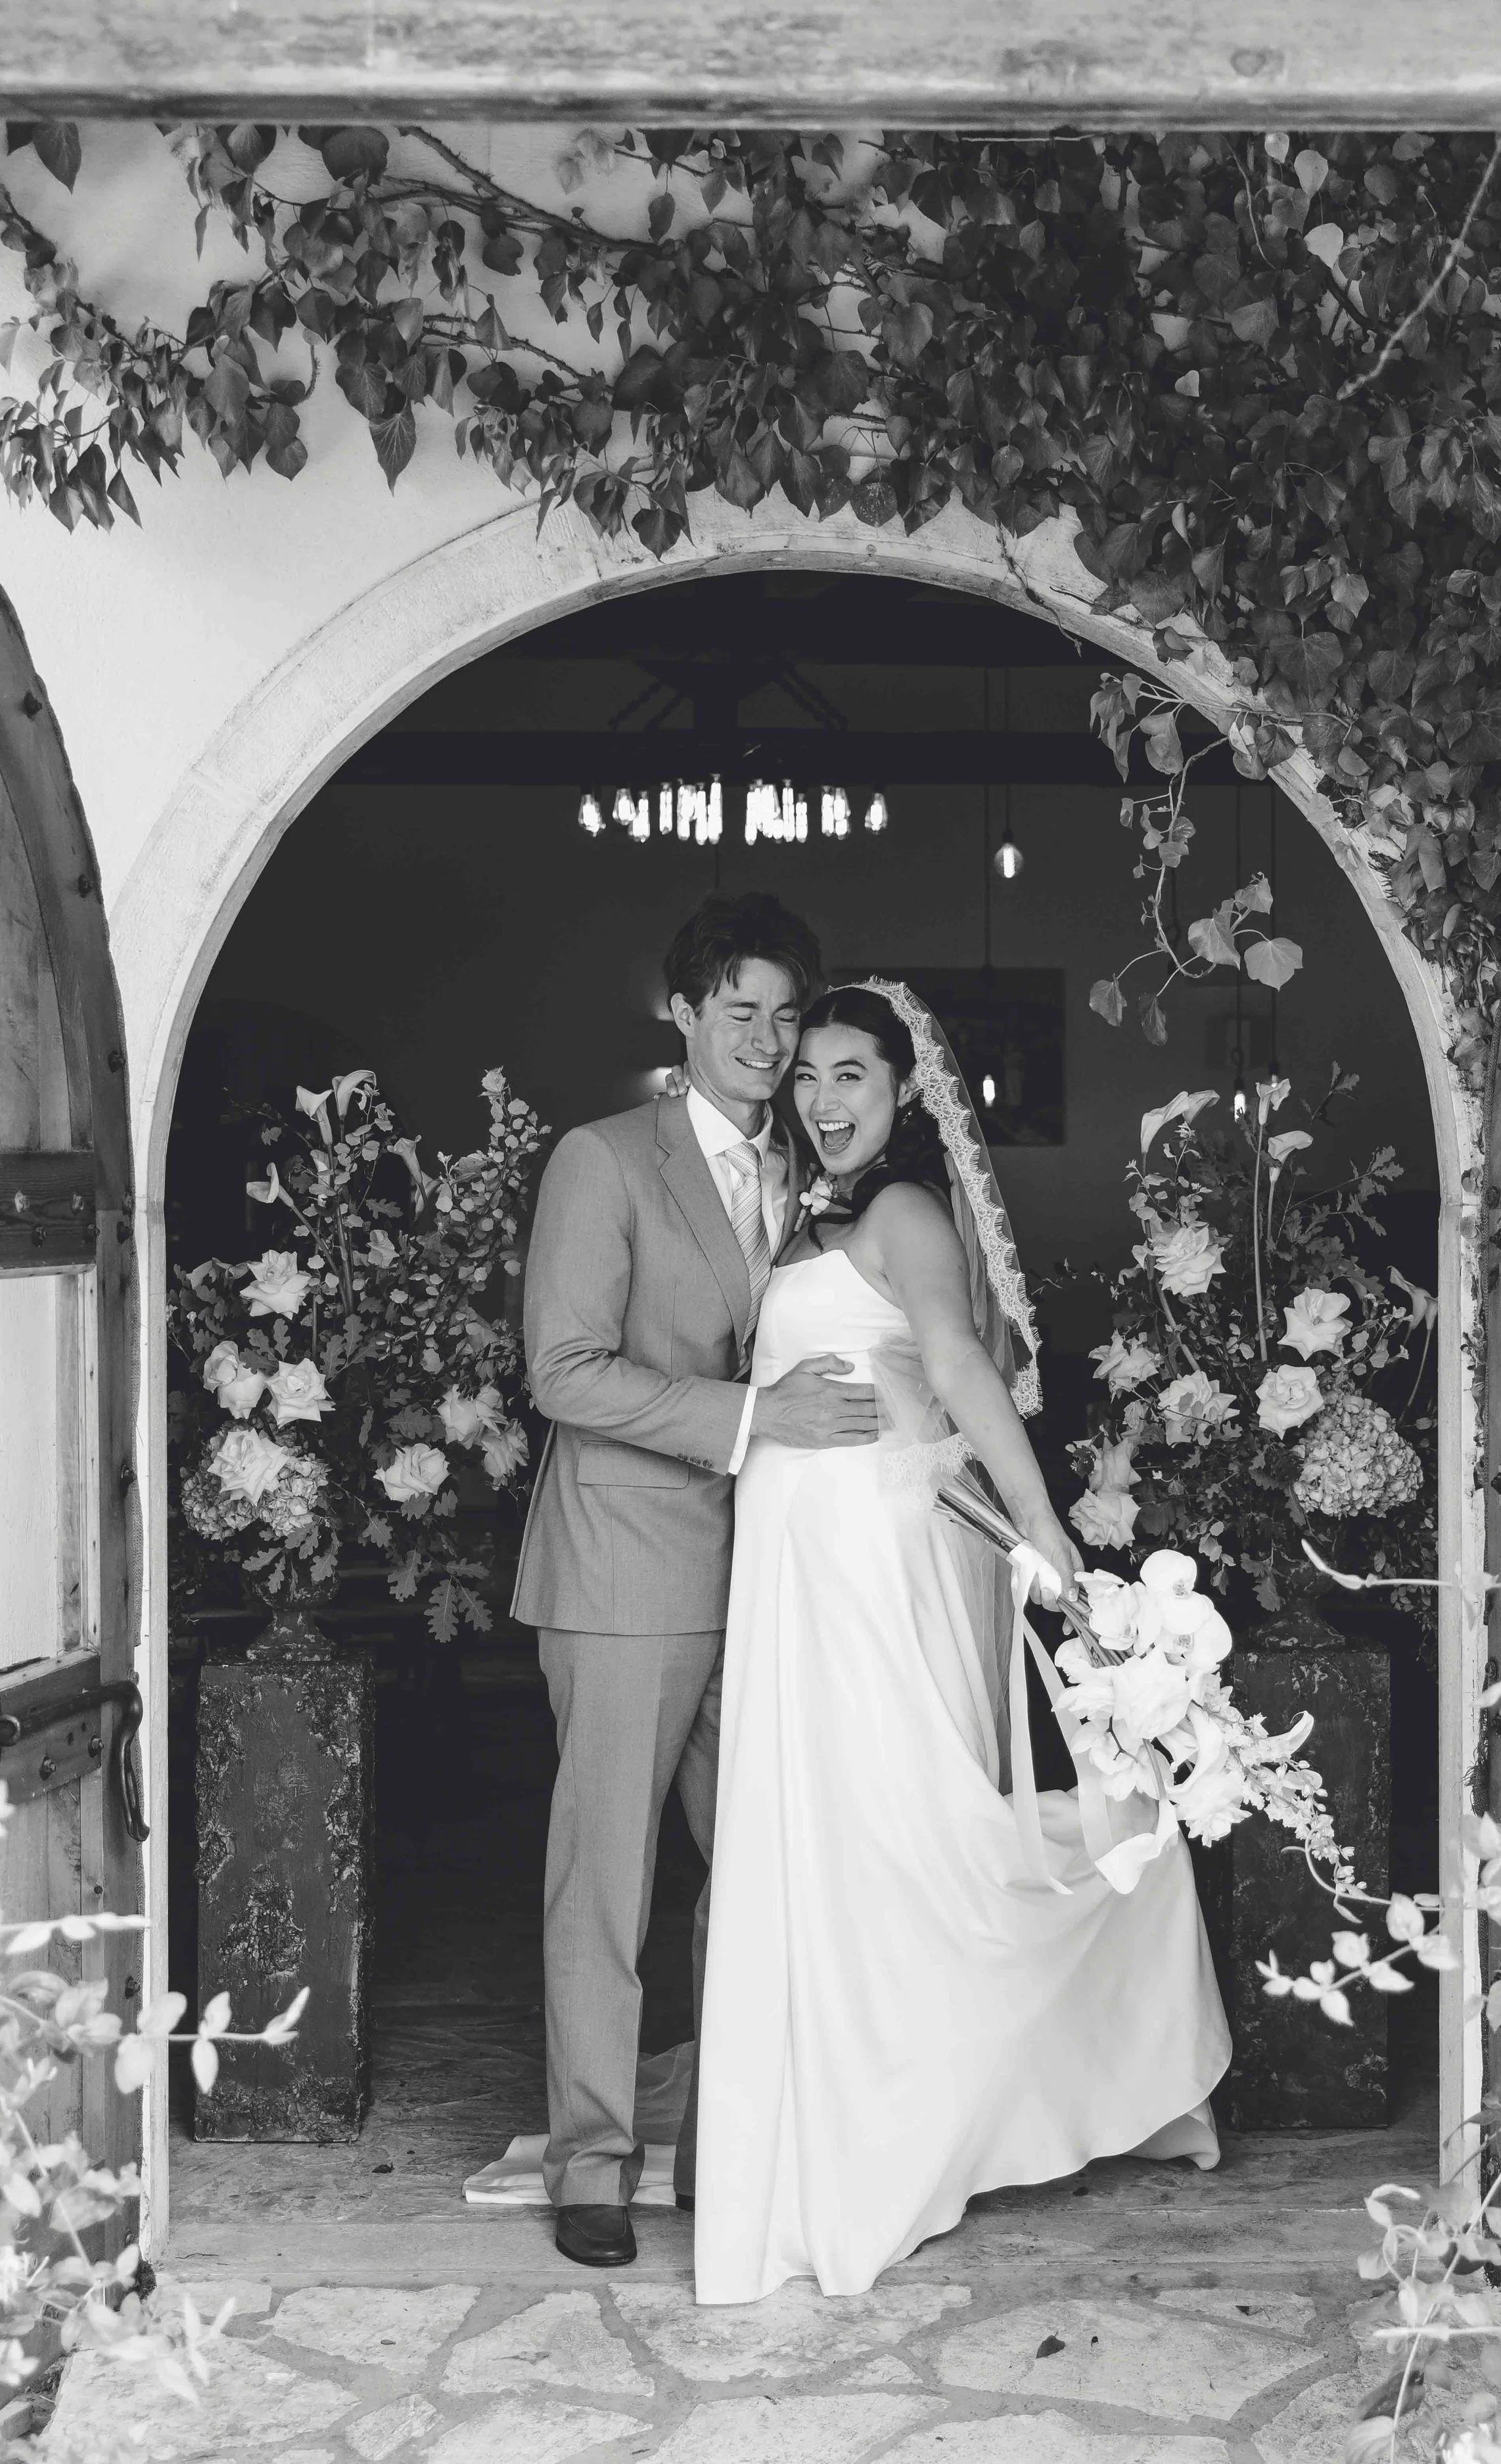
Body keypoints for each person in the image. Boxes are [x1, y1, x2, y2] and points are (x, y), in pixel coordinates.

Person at [693, 979, 1232, 2304]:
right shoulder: (809, 1213)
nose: (822, 1098)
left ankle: (1025, 2087)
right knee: (833, 1843)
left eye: (850, 1075)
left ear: (904, 1091)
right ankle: (851, 2108)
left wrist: (1042, 1525)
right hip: (797, 1560)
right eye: (808, 1074)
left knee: (897, 1836)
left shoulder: (905, 1214)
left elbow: (954, 1361)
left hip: (864, 1565)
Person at [511, 894, 880, 2271]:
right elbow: (562, 1372)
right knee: (606, 1884)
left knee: (766, 1872)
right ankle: (592, 2167)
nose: (768, 1041)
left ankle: (736, 2156)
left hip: (776, 1576)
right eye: (740, 1012)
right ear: (683, 1015)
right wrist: (752, 1420)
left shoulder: (815, 1170)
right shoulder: (604, 1159)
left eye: (786, 1015)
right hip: (622, 1569)